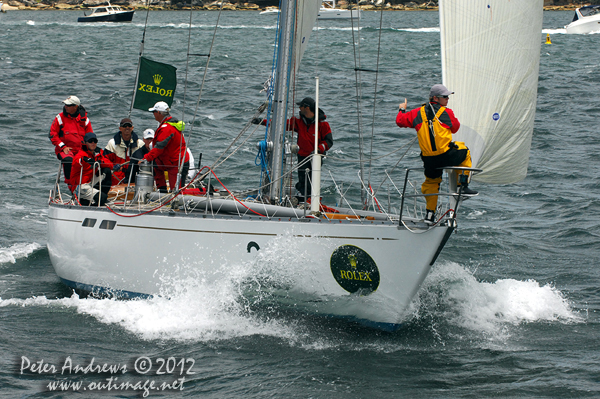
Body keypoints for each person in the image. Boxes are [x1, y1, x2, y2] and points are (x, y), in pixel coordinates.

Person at [396, 84, 477, 224]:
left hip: (429, 160)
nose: (447, 99)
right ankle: (462, 186)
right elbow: (455, 128)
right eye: (445, 97)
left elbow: (400, 121)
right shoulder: (446, 113)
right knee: (465, 151)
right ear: (435, 98)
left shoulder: (416, 113)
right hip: (446, 155)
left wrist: (402, 108)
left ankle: (429, 215)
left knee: (431, 183)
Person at [253, 97, 333, 198]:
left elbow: (329, 141)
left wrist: (318, 149)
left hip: (315, 157)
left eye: (301, 106)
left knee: (311, 181)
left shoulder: (323, 124)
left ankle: (308, 200)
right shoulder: (299, 122)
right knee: (302, 179)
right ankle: (302, 197)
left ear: (307, 108)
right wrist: (262, 121)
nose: (299, 108)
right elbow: (282, 124)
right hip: (302, 156)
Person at [141, 102, 190, 192]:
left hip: (177, 163)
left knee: (177, 192)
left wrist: (145, 158)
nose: (153, 114)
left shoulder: (167, 128)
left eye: (154, 112)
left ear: (158, 113)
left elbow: (159, 148)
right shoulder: (169, 125)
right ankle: (162, 191)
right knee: (155, 163)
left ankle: (201, 191)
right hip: (170, 162)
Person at [48, 95, 93, 181]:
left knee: (92, 162)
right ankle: (70, 184)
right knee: (68, 160)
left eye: (68, 105)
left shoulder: (85, 120)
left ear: (76, 107)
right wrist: (63, 147)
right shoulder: (60, 118)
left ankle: (86, 185)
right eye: (65, 104)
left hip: (81, 150)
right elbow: (52, 134)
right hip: (65, 150)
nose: (65, 107)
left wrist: (88, 151)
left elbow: (90, 136)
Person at [68, 132, 113, 206]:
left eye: (95, 141)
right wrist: (87, 160)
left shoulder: (97, 154)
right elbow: (77, 161)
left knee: (107, 171)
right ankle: (93, 202)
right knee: (102, 198)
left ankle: (100, 197)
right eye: (90, 141)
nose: (93, 143)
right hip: (80, 186)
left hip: (90, 182)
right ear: (85, 143)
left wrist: (103, 163)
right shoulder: (81, 154)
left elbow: (108, 163)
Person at [104, 117, 144, 185]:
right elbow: (105, 159)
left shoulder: (140, 144)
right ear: (120, 128)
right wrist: (113, 166)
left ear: (132, 128)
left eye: (129, 126)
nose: (127, 128)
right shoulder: (112, 143)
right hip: (117, 179)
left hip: (136, 179)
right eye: (124, 126)